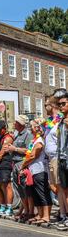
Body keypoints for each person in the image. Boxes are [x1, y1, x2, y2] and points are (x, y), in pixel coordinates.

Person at [21, 120, 52, 225]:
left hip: (40, 170)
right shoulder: (33, 140)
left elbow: (33, 155)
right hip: (33, 170)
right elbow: (29, 153)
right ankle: (39, 214)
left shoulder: (39, 141)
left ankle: (46, 216)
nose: (30, 128)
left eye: (32, 126)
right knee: (36, 194)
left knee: (42, 193)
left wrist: (23, 164)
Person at [43, 95, 67, 230]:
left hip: (58, 157)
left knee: (61, 188)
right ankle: (62, 212)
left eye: (46, 104)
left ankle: (63, 214)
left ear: (52, 106)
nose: (45, 107)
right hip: (50, 158)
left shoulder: (59, 120)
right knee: (56, 187)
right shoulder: (50, 121)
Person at [5, 115, 33, 222]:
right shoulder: (16, 135)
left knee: (26, 189)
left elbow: (29, 151)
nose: (14, 124)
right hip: (15, 163)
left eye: (16, 122)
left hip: (22, 163)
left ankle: (30, 212)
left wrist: (14, 148)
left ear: (21, 124)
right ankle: (25, 211)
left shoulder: (28, 134)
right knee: (20, 189)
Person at [0, 120, 15, 216]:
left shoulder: (8, 138)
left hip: (5, 163)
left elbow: (0, 154)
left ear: (4, 129)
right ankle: (3, 205)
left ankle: (9, 207)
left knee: (6, 185)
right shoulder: (0, 138)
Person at [55, 92, 68, 230]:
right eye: (59, 105)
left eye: (63, 104)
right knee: (64, 190)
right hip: (62, 159)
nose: (60, 106)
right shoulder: (60, 121)